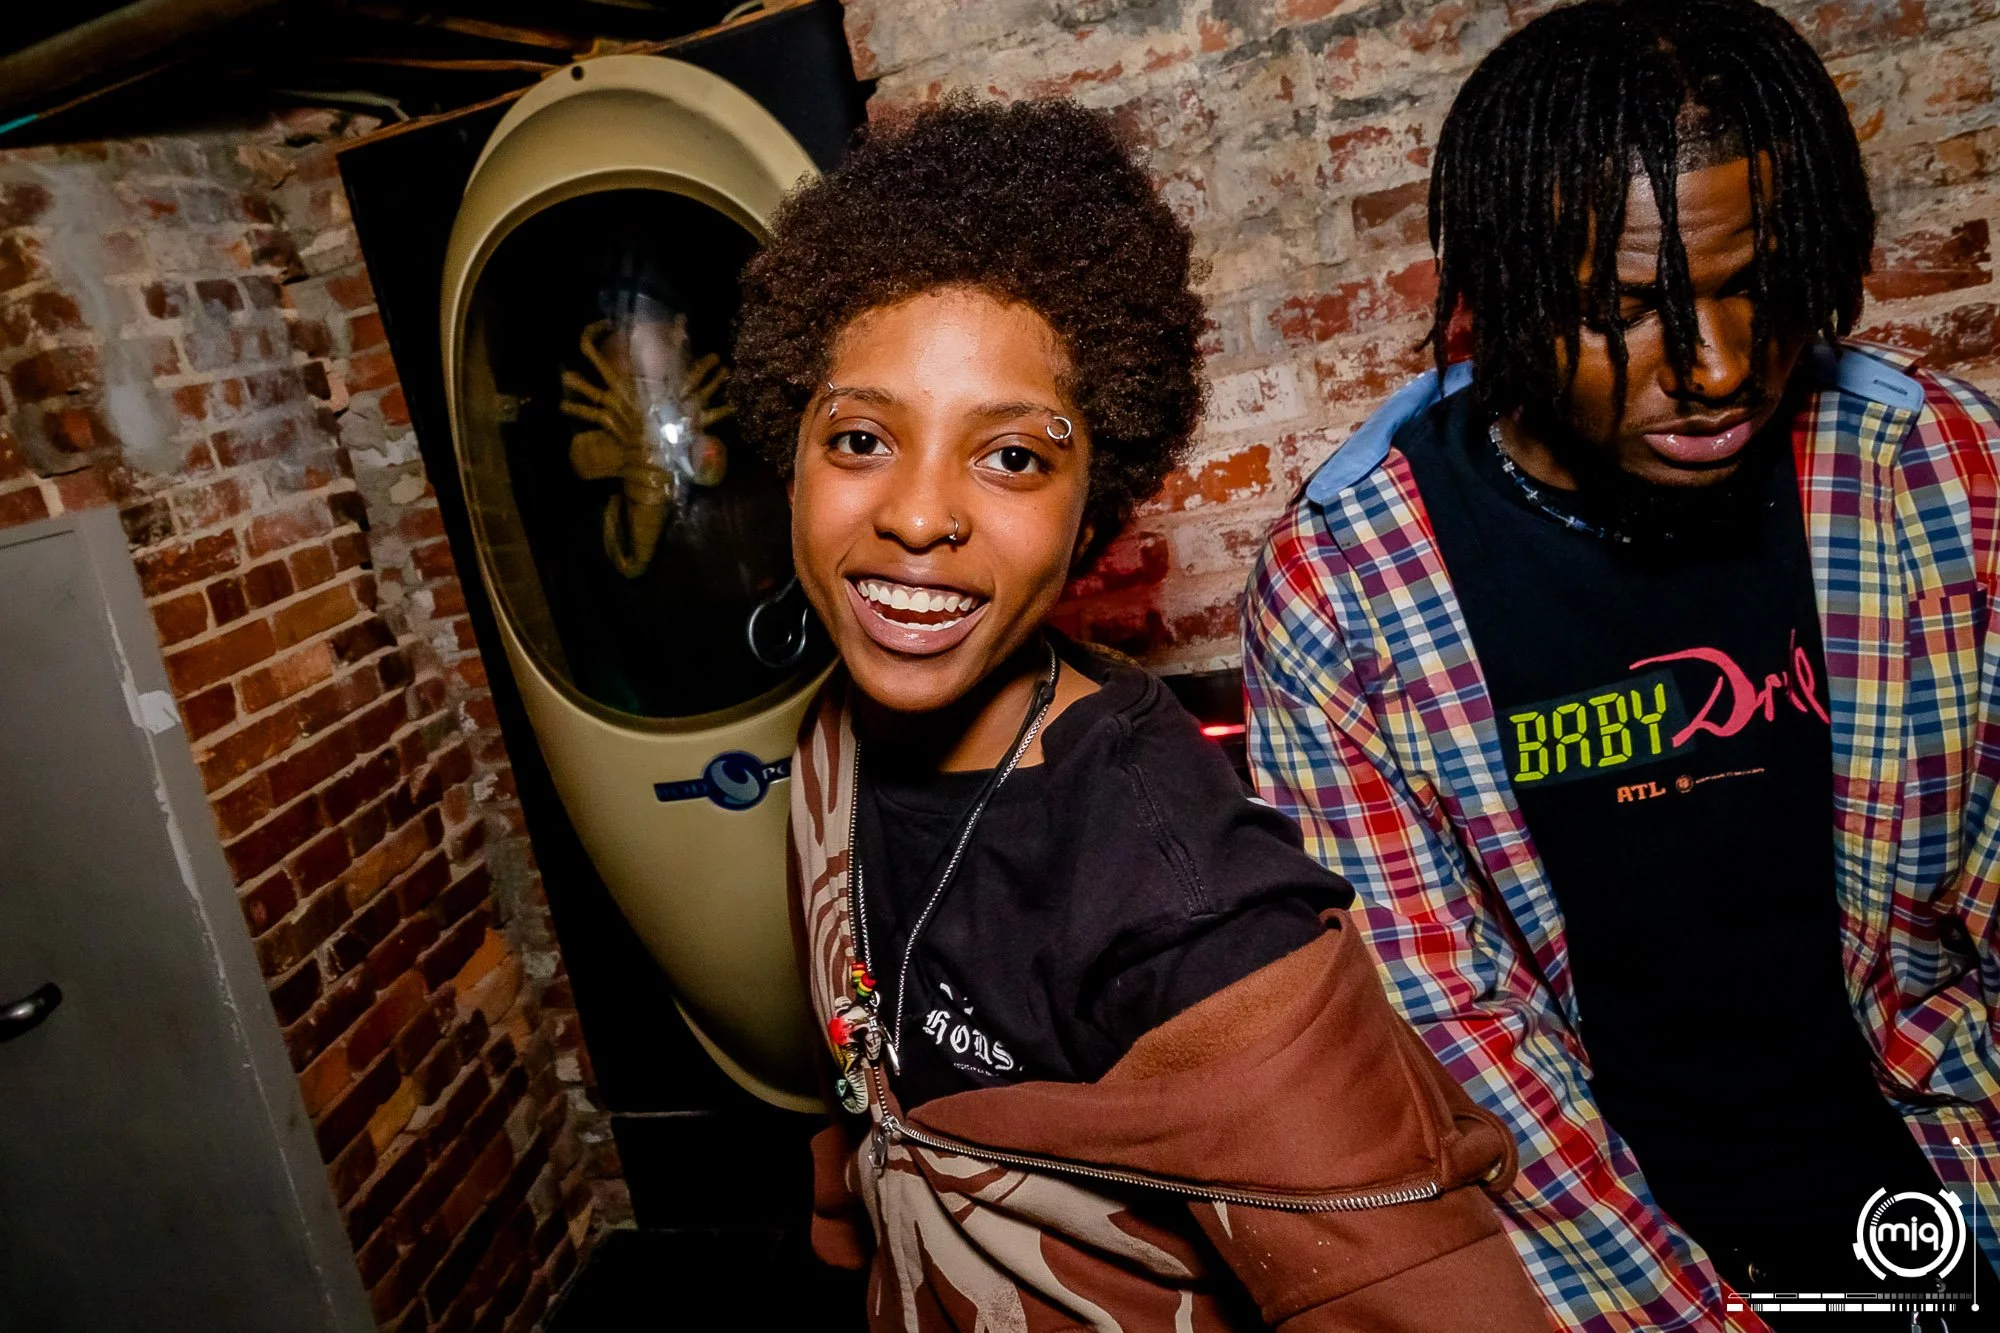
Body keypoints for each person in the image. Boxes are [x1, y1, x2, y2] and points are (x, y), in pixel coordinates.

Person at [731, 97, 1547, 1330]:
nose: (915, 514)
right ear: (788, 453)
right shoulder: (830, 738)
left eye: (1012, 456)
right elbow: (856, 1063)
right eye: (858, 438)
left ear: (1091, 505)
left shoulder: (1185, 908)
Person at [1243, 2, 1999, 1328]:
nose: (1718, 368)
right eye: (1624, 311)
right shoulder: (1349, 585)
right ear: (1503, 293)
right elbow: (1453, 1024)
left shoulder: (1935, 471)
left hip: (1948, 1176)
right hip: (1617, 1248)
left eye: (1755, 283)